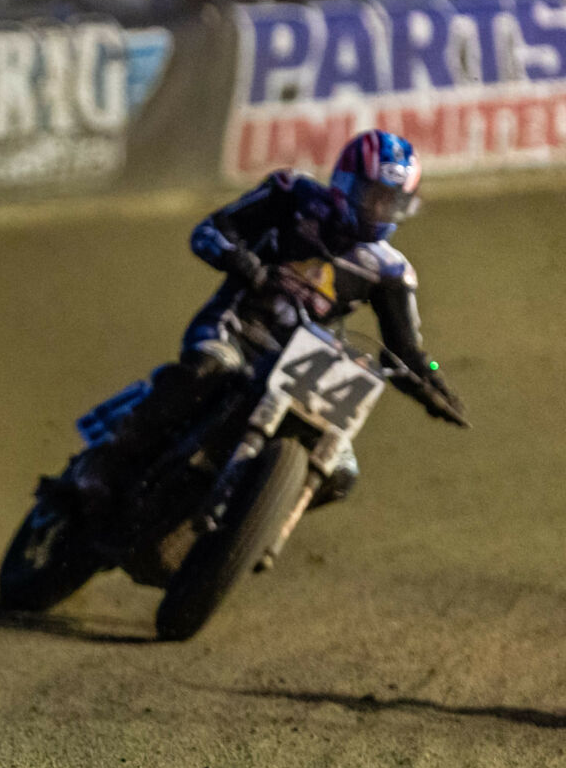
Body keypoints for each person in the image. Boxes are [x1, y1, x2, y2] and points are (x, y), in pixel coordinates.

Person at [76, 130, 467, 505]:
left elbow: (406, 352)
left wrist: (429, 382)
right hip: (238, 328)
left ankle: (244, 516)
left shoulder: (391, 272)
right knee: (209, 369)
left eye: (390, 201)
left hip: (303, 363)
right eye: (372, 197)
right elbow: (212, 230)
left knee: (341, 472)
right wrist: (239, 258)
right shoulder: (292, 194)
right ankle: (107, 460)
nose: (379, 210)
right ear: (345, 183)